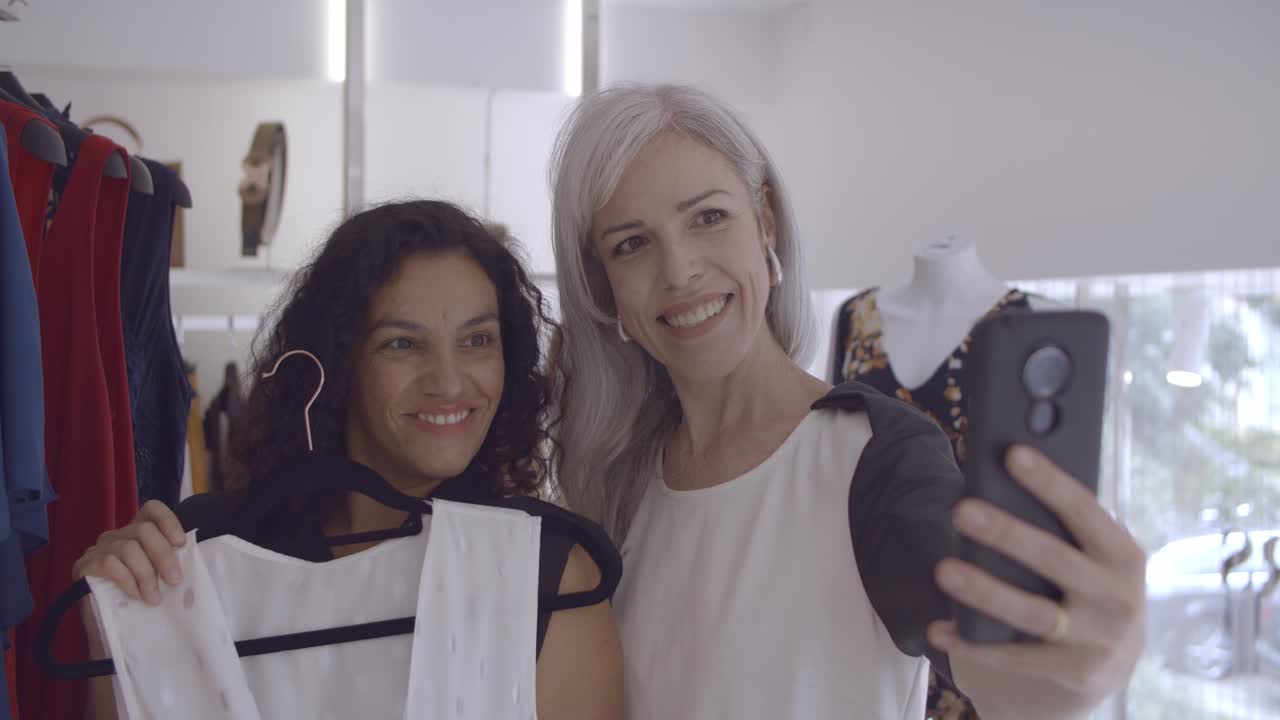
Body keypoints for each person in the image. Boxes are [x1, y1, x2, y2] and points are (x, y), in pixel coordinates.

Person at [548, 84, 1145, 719]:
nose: (679, 270)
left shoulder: (879, 459)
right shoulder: (617, 483)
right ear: (604, 286)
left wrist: (1075, 674)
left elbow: (1000, 674)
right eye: (632, 244)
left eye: (708, 217)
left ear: (766, 222)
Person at [72, 200, 624, 719]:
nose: (450, 382)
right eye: (402, 344)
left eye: (478, 340)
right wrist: (114, 623)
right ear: (338, 364)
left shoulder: (544, 575)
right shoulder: (191, 553)